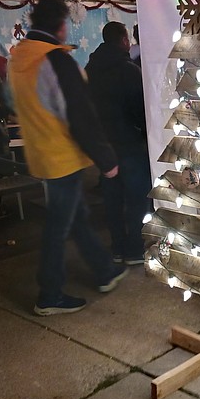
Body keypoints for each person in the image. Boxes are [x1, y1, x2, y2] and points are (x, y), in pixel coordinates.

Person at [8, 0, 128, 316]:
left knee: (73, 217)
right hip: (62, 155)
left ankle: (105, 271)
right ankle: (49, 293)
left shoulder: (20, 56)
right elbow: (79, 114)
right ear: (61, 26)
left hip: (41, 153)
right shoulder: (55, 61)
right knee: (59, 225)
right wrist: (106, 158)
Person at [85, 21, 152, 266]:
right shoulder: (129, 71)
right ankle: (134, 248)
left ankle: (117, 247)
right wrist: (146, 134)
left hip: (104, 146)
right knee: (137, 198)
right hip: (130, 144)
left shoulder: (89, 69)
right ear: (124, 40)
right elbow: (140, 110)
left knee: (112, 199)